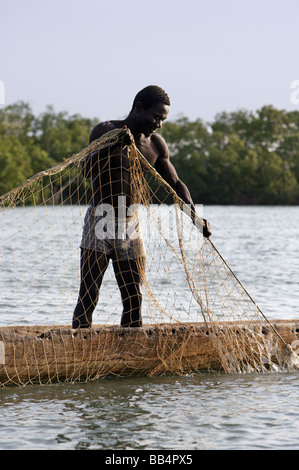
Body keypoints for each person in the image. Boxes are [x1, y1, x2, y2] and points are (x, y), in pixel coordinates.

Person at [72, 85, 211, 329]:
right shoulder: (105, 130)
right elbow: (86, 170)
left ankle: (130, 357)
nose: (158, 124)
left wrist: (195, 216)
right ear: (138, 108)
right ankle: (76, 352)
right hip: (100, 220)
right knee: (89, 293)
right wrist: (114, 144)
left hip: (130, 225)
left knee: (134, 299)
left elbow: (176, 184)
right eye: (156, 116)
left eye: (163, 119)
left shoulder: (155, 145)